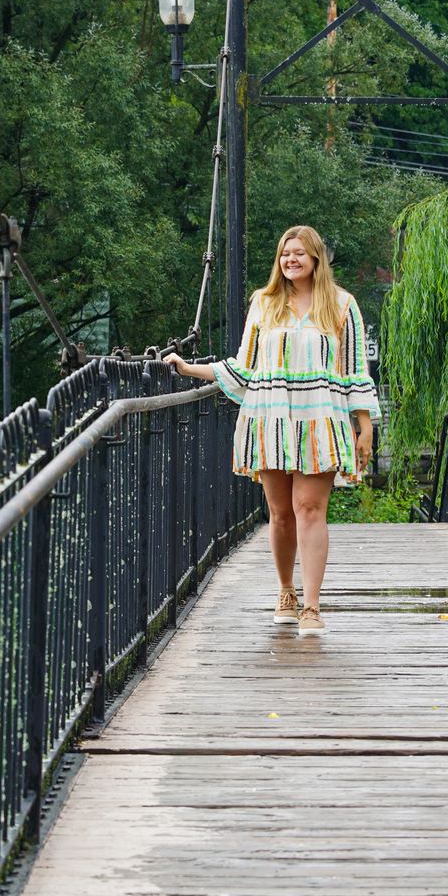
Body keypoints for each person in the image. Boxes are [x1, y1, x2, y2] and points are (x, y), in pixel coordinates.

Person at [167, 225, 380, 633]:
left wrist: (364, 424)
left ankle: (312, 606)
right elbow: (244, 368)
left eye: (299, 253)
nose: (291, 260)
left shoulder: (341, 305)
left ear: (316, 258)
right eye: (285, 254)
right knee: (281, 514)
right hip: (270, 419)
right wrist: (189, 367)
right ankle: (286, 590)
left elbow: (356, 370)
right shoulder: (263, 304)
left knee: (311, 509)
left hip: (320, 420)